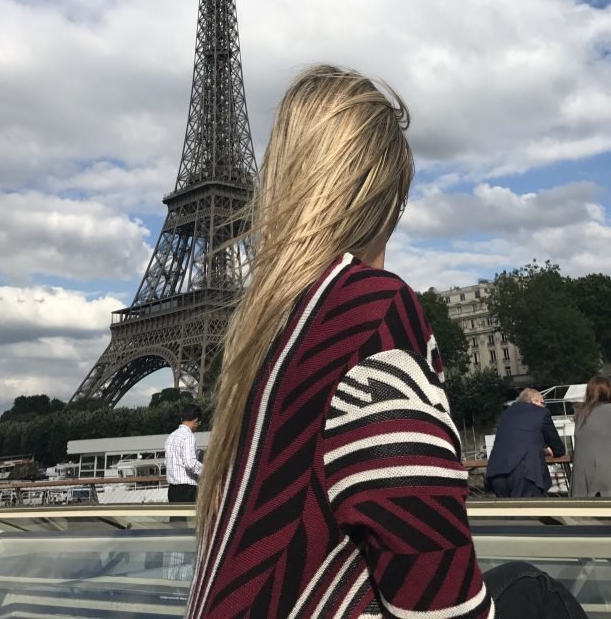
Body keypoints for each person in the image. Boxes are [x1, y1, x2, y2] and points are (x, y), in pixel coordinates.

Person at [187, 65, 588, 619]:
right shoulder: (373, 315)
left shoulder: (265, 331)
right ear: (388, 198)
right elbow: (442, 603)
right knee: (535, 592)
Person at [485, 388, 566, 498]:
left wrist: (543, 451)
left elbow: (517, 445)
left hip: (496, 472)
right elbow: (558, 447)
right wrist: (554, 452)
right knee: (528, 512)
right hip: (523, 472)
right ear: (534, 401)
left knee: (508, 514)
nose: (543, 406)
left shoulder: (506, 414)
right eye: (543, 403)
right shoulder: (541, 413)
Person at [570, 375, 611, 498]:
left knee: (586, 515)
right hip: (607, 477)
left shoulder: (579, 412)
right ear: (610, 392)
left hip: (581, 479)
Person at [165, 404, 203, 503]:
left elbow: (167, 462)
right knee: (191, 517)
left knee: (176, 518)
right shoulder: (189, 436)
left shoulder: (171, 436)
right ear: (195, 420)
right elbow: (190, 462)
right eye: (199, 422)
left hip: (172, 489)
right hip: (187, 489)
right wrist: (207, 471)